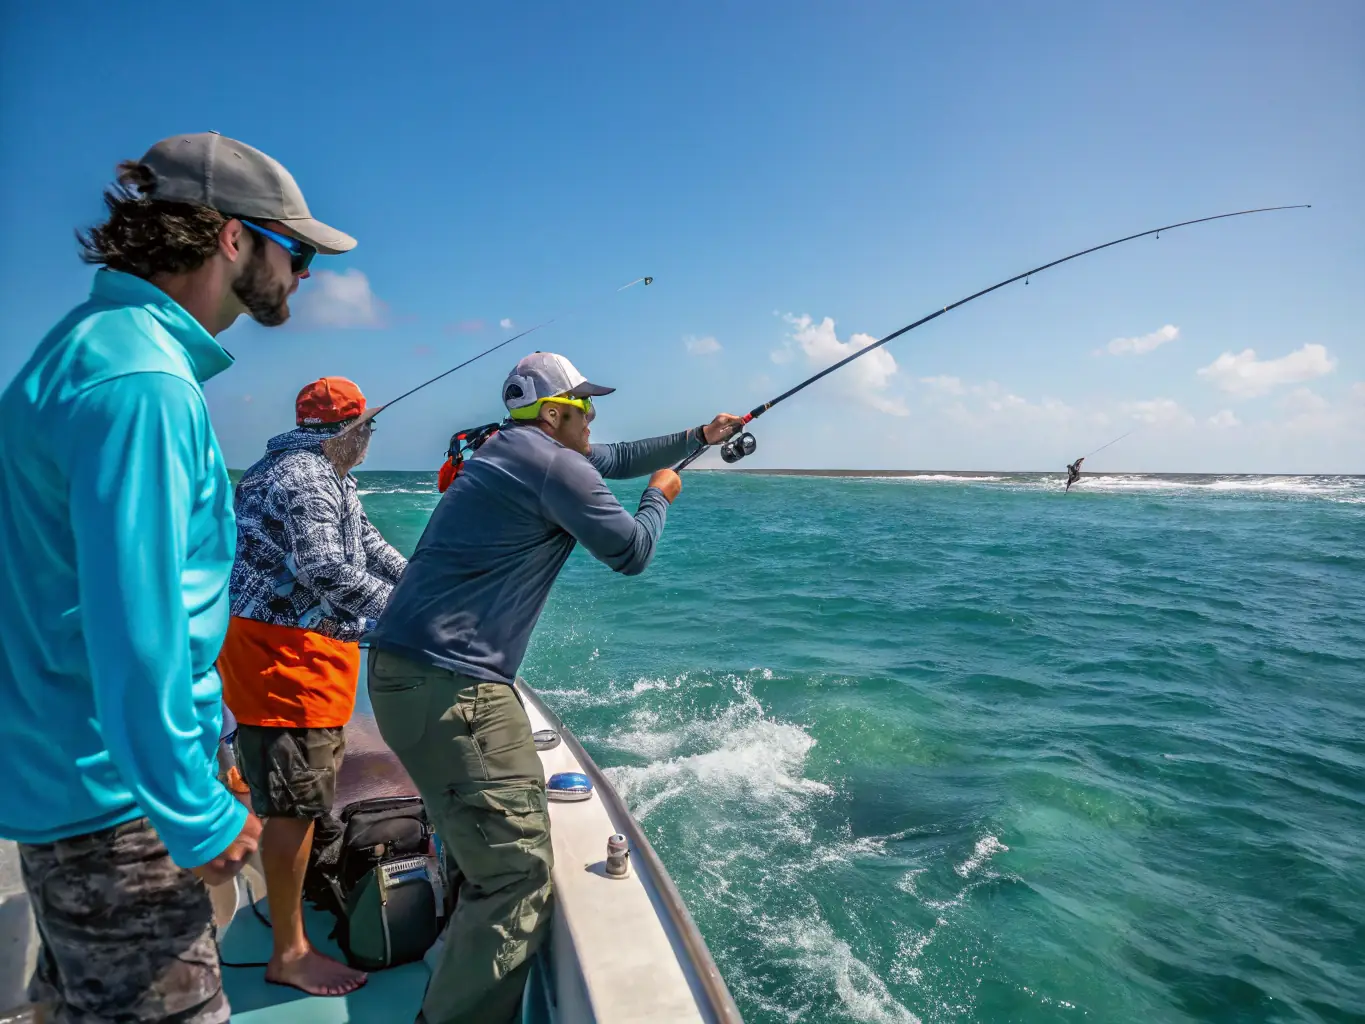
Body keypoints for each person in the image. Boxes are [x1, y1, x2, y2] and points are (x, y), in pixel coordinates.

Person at [0, 131, 355, 1023]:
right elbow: (138, 630)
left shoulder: (85, 349)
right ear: (231, 239)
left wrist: (209, 755)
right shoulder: (142, 385)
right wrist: (194, 811)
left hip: (73, 781)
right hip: (114, 806)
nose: (303, 274)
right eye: (297, 250)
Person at [363, 351, 743, 1024]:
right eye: (584, 407)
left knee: (486, 846)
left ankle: (454, 969)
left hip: (412, 675)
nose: (593, 417)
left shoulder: (510, 451)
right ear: (555, 413)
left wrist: (698, 438)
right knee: (516, 875)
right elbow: (630, 551)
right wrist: (660, 495)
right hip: (452, 689)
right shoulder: (548, 462)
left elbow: (612, 454)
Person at [219, 376, 406, 996]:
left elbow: (364, 543)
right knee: (294, 807)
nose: (372, 440)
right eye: (369, 428)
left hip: (301, 652)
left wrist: (419, 583)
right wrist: (408, 615)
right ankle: (288, 952)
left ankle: (303, 904)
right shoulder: (303, 477)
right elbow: (324, 567)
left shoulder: (322, 473)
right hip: (283, 658)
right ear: (349, 432)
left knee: (303, 791)